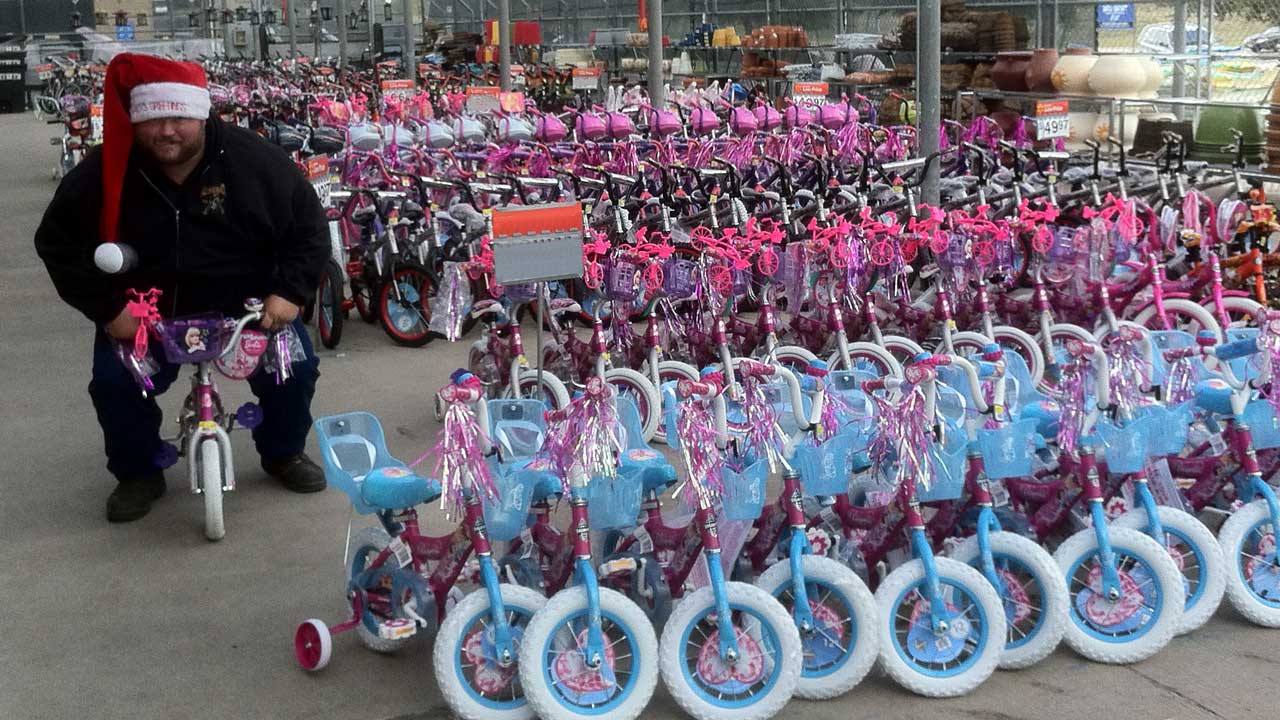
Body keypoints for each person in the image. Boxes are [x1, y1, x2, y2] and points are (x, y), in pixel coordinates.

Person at [34, 53, 329, 523]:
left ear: (202, 113)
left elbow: (309, 230)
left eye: (179, 117)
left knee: (294, 371)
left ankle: (283, 452)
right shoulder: (106, 170)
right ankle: (136, 472)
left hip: (246, 309)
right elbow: (56, 242)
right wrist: (109, 309)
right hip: (144, 317)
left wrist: (291, 292)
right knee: (115, 385)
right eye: (153, 119)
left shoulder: (256, 163)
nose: (166, 130)